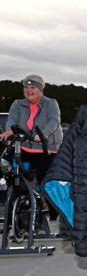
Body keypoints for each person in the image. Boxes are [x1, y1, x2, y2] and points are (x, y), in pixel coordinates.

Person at [0, 74, 63, 220]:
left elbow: (54, 120)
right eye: (26, 87)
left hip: (46, 148)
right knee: (8, 166)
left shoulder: (50, 103)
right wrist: (10, 130)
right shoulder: (18, 104)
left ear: (40, 90)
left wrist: (45, 134)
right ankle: (16, 202)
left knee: (46, 180)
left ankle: (54, 216)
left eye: (33, 87)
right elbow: (12, 119)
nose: (29, 90)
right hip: (24, 146)